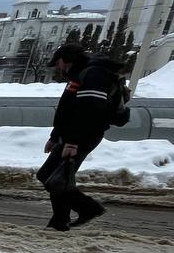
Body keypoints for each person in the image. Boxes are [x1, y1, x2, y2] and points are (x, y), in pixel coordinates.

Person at [36, 45, 122, 231]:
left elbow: (89, 111)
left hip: (83, 136)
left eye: (58, 62)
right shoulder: (83, 74)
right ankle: (60, 220)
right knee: (53, 177)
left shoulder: (94, 74)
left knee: (54, 178)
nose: (58, 68)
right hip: (71, 136)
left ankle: (87, 209)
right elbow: (68, 111)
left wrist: (73, 142)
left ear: (66, 59)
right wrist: (55, 136)